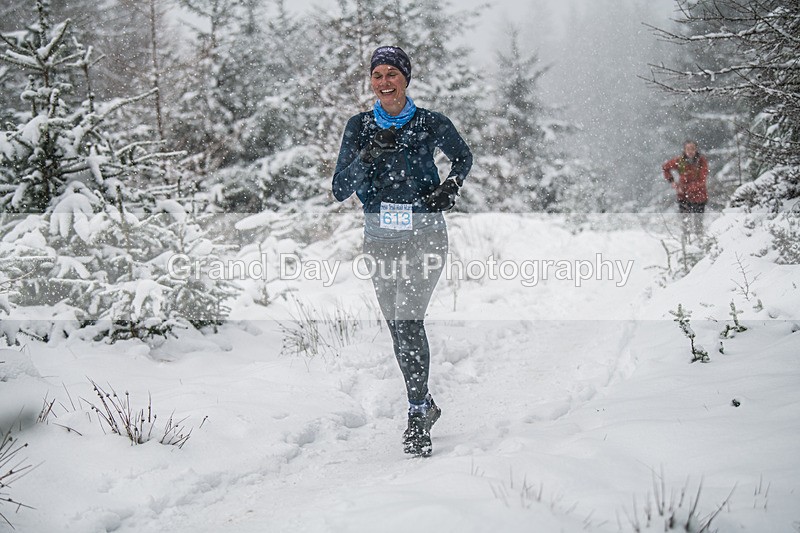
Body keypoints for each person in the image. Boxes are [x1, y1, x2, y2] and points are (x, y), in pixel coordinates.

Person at [331, 46, 472, 456]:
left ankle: (415, 416)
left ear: (406, 79)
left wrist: (450, 186)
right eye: (378, 75)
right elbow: (340, 188)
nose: (385, 81)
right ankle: (425, 403)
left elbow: (463, 156)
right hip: (379, 240)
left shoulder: (430, 123)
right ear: (371, 82)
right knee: (397, 327)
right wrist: (368, 154)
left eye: (393, 73)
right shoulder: (358, 127)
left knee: (408, 323)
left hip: (424, 235)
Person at [662, 140, 709, 238]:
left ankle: (698, 244)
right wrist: (672, 181)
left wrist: (686, 188)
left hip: (699, 197)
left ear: (696, 150)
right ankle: (687, 246)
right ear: (684, 150)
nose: (690, 151)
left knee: (698, 225)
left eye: (692, 149)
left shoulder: (701, 162)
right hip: (683, 197)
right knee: (685, 225)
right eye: (688, 149)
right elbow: (665, 167)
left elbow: (702, 180)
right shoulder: (680, 161)